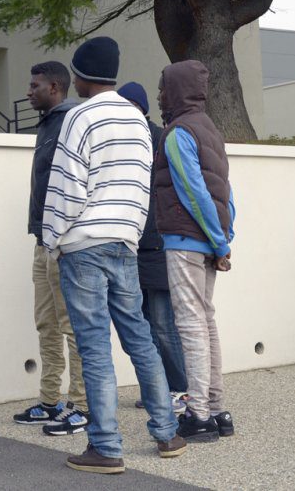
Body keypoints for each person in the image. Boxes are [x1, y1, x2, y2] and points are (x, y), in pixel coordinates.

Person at [43, 37, 186, 474]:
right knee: (139, 338)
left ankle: (106, 447)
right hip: (126, 242)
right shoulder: (139, 122)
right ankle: (167, 433)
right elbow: (143, 187)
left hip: (84, 244)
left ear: (82, 76)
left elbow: (68, 184)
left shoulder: (79, 116)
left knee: (94, 347)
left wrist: (52, 238)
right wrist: (127, 231)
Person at [154, 61, 236, 442]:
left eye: (163, 88)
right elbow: (225, 195)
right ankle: (217, 411)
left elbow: (192, 192)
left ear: (177, 90)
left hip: (186, 242)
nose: (159, 96)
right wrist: (223, 239)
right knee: (206, 322)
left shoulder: (178, 132)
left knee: (190, 325)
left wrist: (219, 241)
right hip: (209, 240)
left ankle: (198, 414)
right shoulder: (211, 131)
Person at [12, 62, 89, 436]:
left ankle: (80, 404)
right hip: (42, 241)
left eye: (34, 85)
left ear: (54, 87)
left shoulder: (70, 122)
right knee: (46, 324)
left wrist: (60, 237)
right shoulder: (47, 123)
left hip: (63, 243)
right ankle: (49, 401)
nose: (28, 91)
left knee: (70, 326)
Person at [117, 82, 190, 414]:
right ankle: (157, 390)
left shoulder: (161, 140)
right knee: (141, 324)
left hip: (157, 246)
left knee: (162, 323)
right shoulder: (122, 141)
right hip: (132, 247)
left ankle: (180, 388)